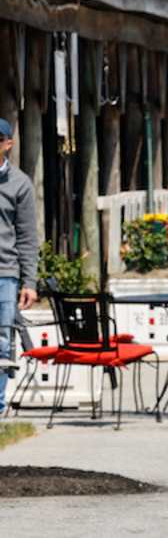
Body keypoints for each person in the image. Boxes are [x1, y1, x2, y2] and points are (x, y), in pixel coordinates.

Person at [0, 118, 38, 413]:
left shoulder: (20, 183)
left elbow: (27, 237)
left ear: (7, 144)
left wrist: (30, 282)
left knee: (2, 341)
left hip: (6, 273)